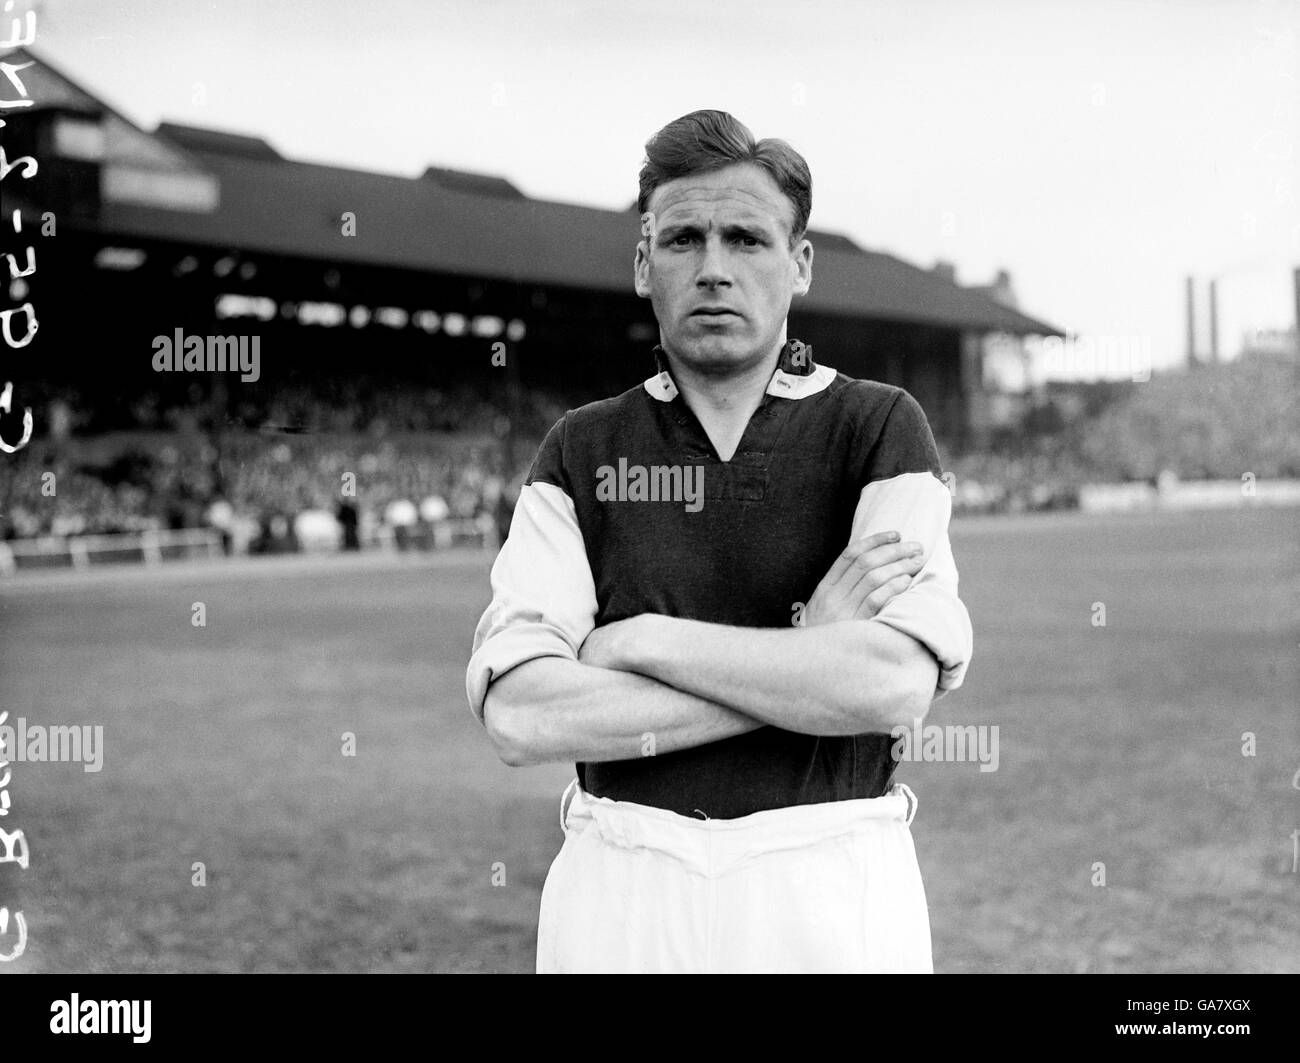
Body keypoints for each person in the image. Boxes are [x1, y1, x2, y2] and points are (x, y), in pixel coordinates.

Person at [466, 110, 973, 973]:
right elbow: (521, 713)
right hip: (624, 884)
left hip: (829, 880)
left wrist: (640, 644)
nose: (713, 269)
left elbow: (890, 684)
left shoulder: (879, 428)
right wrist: (805, 658)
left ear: (799, 263)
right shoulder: (581, 450)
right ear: (641, 261)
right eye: (682, 239)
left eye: (746, 239)